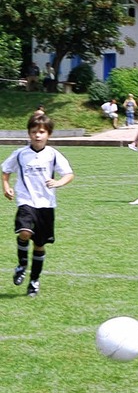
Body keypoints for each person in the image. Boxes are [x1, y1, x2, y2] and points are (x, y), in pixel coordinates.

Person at [2, 114, 74, 297]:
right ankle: (21, 265)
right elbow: (5, 170)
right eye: (34, 132)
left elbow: (68, 174)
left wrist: (58, 183)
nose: (37, 135)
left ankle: (34, 281)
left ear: (48, 134)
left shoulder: (53, 155)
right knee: (24, 232)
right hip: (26, 201)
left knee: (40, 245)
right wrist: (6, 186)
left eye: (41, 132)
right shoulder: (20, 154)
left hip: (46, 204)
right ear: (29, 134)